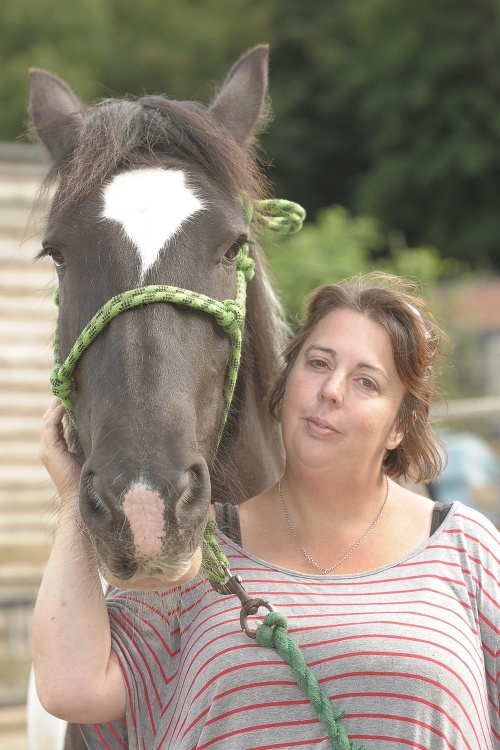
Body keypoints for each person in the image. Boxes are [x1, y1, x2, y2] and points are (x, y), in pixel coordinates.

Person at [33, 272, 500, 749]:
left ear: (400, 426)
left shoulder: (468, 548)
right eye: (318, 363)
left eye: (366, 381)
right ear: (286, 384)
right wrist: (74, 499)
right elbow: (73, 689)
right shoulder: (199, 549)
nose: (332, 389)